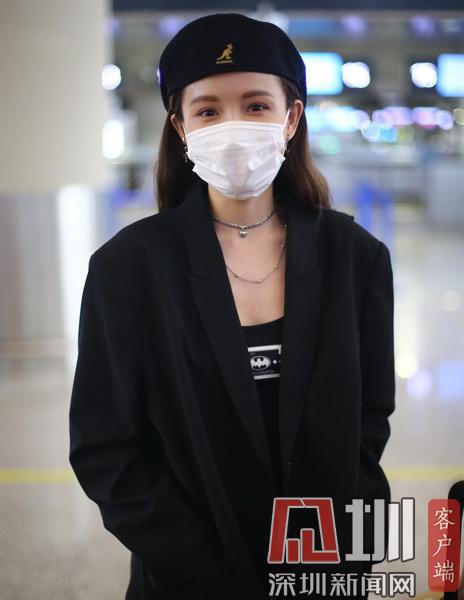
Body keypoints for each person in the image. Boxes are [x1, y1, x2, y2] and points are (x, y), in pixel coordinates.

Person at [68, 12, 395, 600]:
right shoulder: (130, 269)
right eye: (208, 111)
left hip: (322, 568)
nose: (234, 128)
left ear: (291, 117)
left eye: (256, 105)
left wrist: (341, 550)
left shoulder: (355, 257)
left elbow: (369, 419)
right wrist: (197, 570)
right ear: (180, 125)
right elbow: (105, 447)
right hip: (189, 579)